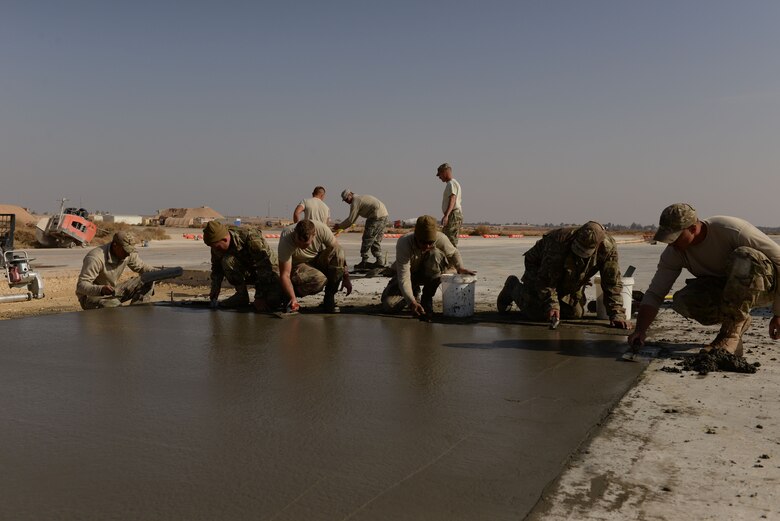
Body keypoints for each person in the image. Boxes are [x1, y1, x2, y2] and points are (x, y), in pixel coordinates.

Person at [628, 203, 780, 356]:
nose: (671, 244)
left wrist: (778, 313)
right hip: (729, 290)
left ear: (693, 229)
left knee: (744, 257)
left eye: (675, 238)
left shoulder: (731, 230)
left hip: (765, 286)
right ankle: (738, 321)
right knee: (683, 300)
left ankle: (730, 335)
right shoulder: (674, 252)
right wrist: (640, 330)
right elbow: (655, 293)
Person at [497, 221, 631, 329]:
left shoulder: (608, 248)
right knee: (539, 313)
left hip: (570, 275)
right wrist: (552, 304)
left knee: (575, 314)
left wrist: (617, 313)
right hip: (538, 269)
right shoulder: (558, 242)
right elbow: (546, 279)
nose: (580, 254)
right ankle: (512, 287)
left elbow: (611, 282)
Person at [381, 215, 475, 317]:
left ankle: (426, 299)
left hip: (431, 275)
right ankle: (413, 293)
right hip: (410, 275)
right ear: (416, 237)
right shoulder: (404, 243)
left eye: (430, 243)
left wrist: (460, 267)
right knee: (389, 306)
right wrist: (411, 301)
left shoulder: (440, 238)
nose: (427, 246)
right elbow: (404, 277)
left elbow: (453, 253)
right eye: (423, 242)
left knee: (435, 254)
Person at [203, 221, 282, 311]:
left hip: (270, 272)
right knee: (227, 261)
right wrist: (215, 289)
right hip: (249, 272)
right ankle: (241, 296)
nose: (215, 250)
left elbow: (264, 266)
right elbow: (216, 268)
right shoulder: (217, 247)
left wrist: (260, 296)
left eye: (217, 247)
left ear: (225, 239)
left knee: (273, 302)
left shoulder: (250, 236)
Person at [278, 219, 351, 313]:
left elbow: (338, 255)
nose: (301, 245)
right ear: (295, 233)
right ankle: (289, 297)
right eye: (298, 242)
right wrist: (292, 298)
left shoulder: (322, 230)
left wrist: (346, 277)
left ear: (314, 235)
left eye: (305, 244)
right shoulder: (286, 237)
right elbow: (285, 275)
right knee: (319, 280)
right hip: (298, 265)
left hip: (317, 260)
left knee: (338, 251)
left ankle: (329, 297)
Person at [76, 231, 154, 310]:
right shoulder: (95, 258)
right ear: (115, 245)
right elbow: (81, 286)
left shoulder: (127, 253)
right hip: (91, 296)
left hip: (112, 292)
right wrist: (101, 289)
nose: (128, 254)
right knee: (115, 306)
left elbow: (142, 267)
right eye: (125, 251)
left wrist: (161, 273)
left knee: (148, 279)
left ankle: (137, 312)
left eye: (130, 251)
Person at [333, 190, 389, 270]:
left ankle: (364, 261)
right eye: (345, 200)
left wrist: (339, 226)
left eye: (346, 199)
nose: (346, 202)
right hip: (384, 216)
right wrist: (342, 227)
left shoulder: (355, 201)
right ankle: (379, 261)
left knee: (367, 238)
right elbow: (353, 219)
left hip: (376, 217)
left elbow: (350, 220)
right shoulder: (360, 199)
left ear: (350, 195)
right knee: (375, 240)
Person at [435, 162, 463, 247]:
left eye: (440, 174)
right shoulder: (451, 184)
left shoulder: (451, 183)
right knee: (446, 240)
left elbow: (452, 198)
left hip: (453, 215)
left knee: (450, 242)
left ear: (445, 172)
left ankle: (453, 260)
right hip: (452, 214)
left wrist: (447, 215)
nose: (439, 177)